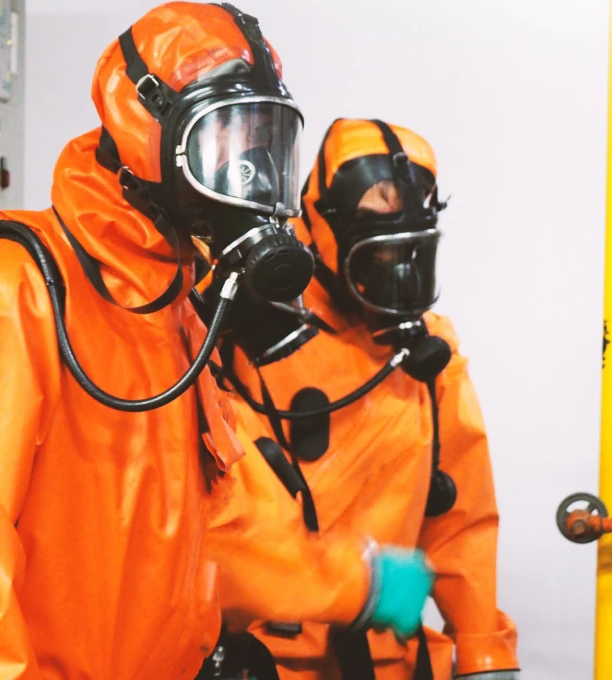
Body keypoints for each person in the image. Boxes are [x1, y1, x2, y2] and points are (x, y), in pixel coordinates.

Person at [0, 7, 432, 679]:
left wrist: (349, 579)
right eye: (227, 146)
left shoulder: (174, 315)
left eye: (262, 149)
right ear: (146, 132)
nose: (249, 178)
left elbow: (209, 543)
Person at [200, 119, 519, 680]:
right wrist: (352, 584)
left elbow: (460, 519)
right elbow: (213, 533)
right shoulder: (230, 337)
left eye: (409, 253)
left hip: (386, 662)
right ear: (321, 230)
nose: (397, 274)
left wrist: (484, 653)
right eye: (377, 251)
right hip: (258, 663)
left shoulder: (427, 356)